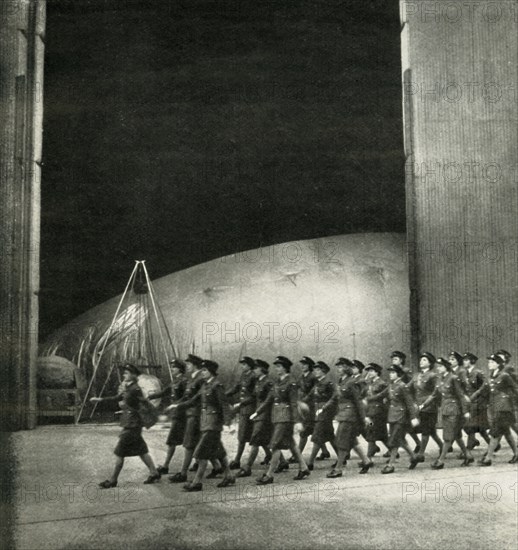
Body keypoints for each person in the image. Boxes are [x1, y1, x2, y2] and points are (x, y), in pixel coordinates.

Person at [90, 363, 160, 488]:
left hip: (132, 425)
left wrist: (149, 416)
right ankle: (154, 473)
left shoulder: (135, 389)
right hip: (131, 424)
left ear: (133, 375)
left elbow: (143, 404)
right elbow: (117, 397)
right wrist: (100, 400)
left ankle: (113, 480)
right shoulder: (129, 387)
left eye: (127, 373)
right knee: (142, 451)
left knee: (119, 452)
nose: (124, 375)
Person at [171, 360, 235, 491]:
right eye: (202, 370)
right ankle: (229, 475)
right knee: (219, 452)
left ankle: (197, 482)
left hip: (213, 425)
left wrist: (229, 423)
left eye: (205, 370)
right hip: (205, 423)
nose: (202, 372)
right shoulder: (205, 386)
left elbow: (224, 405)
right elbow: (193, 400)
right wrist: (177, 406)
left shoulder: (217, 386)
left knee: (200, 454)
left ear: (211, 371)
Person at [255, 356, 310, 485]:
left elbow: (293, 403)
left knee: (274, 445)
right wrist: (257, 412)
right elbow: (269, 399)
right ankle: (304, 468)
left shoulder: (291, 382)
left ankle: (269, 475)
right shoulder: (277, 381)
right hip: (277, 417)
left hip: (285, 418)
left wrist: (297, 421)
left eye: (279, 366)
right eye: (276, 366)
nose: (276, 368)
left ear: (285, 368)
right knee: (291, 443)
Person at [327, 358, 371, 477]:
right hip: (342, 415)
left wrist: (364, 417)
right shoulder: (341, 381)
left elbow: (358, 401)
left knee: (341, 441)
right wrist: (326, 407)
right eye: (338, 366)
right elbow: (336, 398)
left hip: (350, 415)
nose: (338, 368)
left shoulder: (351, 382)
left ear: (347, 368)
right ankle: (366, 461)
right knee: (351, 440)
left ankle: (338, 469)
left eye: (341, 366)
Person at [168, 354, 207, 483]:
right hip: (190, 414)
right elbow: (186, 397)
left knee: (190, 445)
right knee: (200, 444)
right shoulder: (192, 379)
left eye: (189, 364)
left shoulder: (200, 379)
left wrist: (178, 406)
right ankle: (221, 468)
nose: (187, 366)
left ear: (195, 365)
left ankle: (183, 473)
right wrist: (176, 405)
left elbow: (197, 399)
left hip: (196, 415)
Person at [146, 359, 187, 475]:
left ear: (180, 369)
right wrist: (151, 396)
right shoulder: (175, 381)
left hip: (182, 415)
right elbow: (165, 392)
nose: (172, 369)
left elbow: (186, 397)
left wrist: (175, 405)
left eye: (174, 367)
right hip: (177, 415)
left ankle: (166, 466)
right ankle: (165, 465)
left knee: (178, 441)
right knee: (181, 442)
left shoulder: (184, 381)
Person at [431, 357, 473, 469]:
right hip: (445, 410)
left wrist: (466, 411)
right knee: (457, 435)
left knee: (448, 437)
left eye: (440, 366)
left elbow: (461, 395)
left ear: (446, 367)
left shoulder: (453, 378)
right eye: (437, 367)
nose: (438, 369)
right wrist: (422, 405)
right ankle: (468, 455)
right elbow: (434, 394)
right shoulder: (440, 379)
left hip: (454, 411)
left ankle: (440, 461)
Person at [236, 359, 273, 477]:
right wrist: (241, 404)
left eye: (257, 368)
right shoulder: (258, 381)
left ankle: (247, 467)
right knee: (264, 440)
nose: (255, 370)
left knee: (256, 440)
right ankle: (281, 462)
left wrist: (258, 412)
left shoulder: (268, 382)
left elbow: (268, 400)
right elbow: (253, 396)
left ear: (263, 370)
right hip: (258, 414)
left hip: (264, 415)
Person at [479, 354, 518, 465]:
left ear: (498, 364)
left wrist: (511, 399)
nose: (489, 364)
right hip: (495, 407)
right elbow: (485, 390)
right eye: (489, 362)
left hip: (504, 408)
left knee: (495, 433)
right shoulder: (491, 375)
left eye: (492, 362)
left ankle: (488, 458)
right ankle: (516, 453)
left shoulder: (504, 375)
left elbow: (515, 388)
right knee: (506, 432)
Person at [381, 364, 420, 474]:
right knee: (400, 440)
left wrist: (413, 417)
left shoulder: (402, 386)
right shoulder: (391, 385)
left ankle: (390, 465)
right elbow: (383, 395)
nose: (391, 374)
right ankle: (414, 457)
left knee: (394, 441)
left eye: (393, 372)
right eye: (390, 372)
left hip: (401, 417)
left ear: (398, 374)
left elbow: (410, 403)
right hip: (392, 416)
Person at [407, 352, 443, 463]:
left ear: (430, 363)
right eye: (421, 359)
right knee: (430, 431)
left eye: (424, 360)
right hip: (417, 407)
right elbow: (408, 388)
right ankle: (443, 446)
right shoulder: (417, 375)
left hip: (429, 408)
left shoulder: (433, 375)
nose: (421, 361)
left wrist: (428, 403)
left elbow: (436, 392)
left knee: (426, 431)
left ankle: (421, 453)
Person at [226, 356, 257, 470]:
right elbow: (236, 388)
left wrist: (241, 403)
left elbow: (254, 395)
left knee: (245, 435)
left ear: (249, 365)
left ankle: (237, 460)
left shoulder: (254, 376)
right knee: (254, 436)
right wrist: (225, 395)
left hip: (250, 409)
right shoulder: (244, 375)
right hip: (245, 408)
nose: (242, 366)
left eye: (244, 364)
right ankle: (277, 458)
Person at [306, 361, 338, 469]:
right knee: (330, 436)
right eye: (315, 369)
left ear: (323, 371)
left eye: (318, 370)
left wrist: (325, 407)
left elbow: (335, 397)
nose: (315, 371)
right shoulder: (317, 383)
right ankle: (342, 458)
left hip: (325, 412)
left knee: (317, 436)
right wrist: (300, 402)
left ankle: (310, 463)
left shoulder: (329, 382)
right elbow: (309, 396)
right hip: (318, 411)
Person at [390, 351, 421, 454]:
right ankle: (415, 444)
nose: (393, 361)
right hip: (399, 399)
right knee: (406, 428)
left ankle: (397, 447)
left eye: (395, 359)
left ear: (401, 360)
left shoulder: (406, 371)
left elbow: (412, 384)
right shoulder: (393, 372)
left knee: (404, 427)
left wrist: (413, 401)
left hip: (406, 399)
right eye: (392, 359)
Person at [462, 353, 490, 451]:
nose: (464, 362)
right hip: (469, 403)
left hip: (478, 403)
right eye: (464, 360)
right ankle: (491, 444)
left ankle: (468, 449)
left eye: (466, 360)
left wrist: (476, 394)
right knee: (477, 427)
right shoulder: (465, 373)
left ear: (472, 361)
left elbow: (486, 385)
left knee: (470, 425)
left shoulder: (478, 372)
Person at [363, 363, 389, 458]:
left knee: (372, 435)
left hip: (378, 413)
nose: (369, 373)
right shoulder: (370, 382)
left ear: (377, 372)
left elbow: (385, 396)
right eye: (369, 371)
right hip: (371, 411)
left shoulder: (382, 383)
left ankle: (368, 458)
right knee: (378, 435)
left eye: (372, 371)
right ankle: (392, 450)